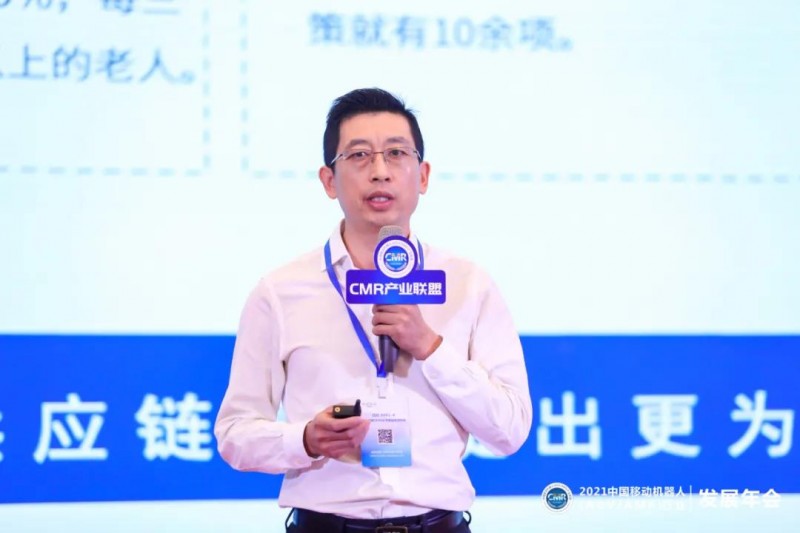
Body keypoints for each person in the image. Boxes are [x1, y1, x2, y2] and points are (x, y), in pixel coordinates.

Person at [214, 88, 532, 533]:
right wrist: (304, 439)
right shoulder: (280, 292)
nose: (380, 171)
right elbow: (235, 434)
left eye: (396, 153)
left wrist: (431, 348)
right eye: (359, 155)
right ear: (329, 181)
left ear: (423, 175)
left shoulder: (468, 284)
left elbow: (510, 430)